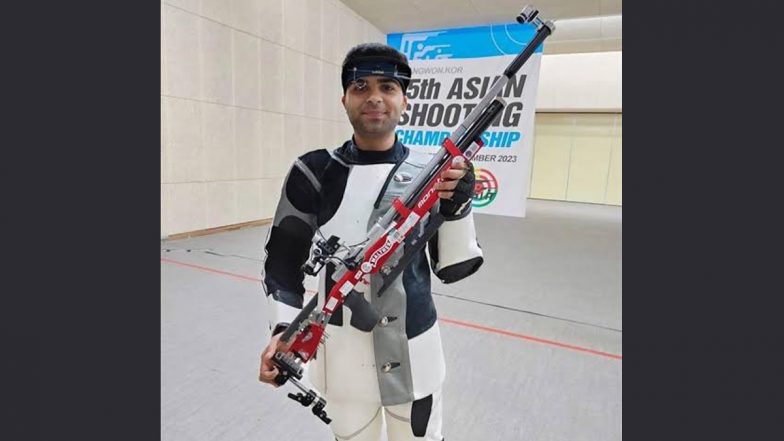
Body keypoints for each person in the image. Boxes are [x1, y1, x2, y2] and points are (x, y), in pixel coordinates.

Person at [258, 42, 484, 441]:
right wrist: (283, 330)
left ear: (405, 101)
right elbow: (282, 260)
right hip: (341, 357)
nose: (375, 97)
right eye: (360, 86)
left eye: (388, 86)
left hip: (416, 353)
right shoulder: (313, 171)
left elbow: (454, 267)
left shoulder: (435, 173)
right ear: (344, 98)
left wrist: (460, 204)